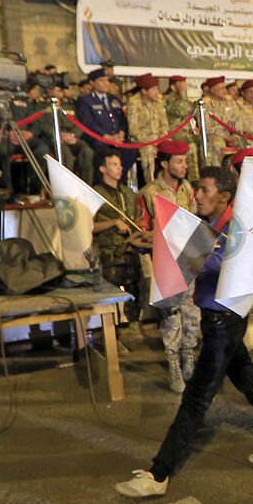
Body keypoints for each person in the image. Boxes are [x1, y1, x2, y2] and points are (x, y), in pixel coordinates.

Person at [115, 167, 253, 498]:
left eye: (203, 189)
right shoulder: (214, 225)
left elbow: (209, 262)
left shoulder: (235, 230)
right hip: (219, 320)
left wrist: (159, 245)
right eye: (196, 188)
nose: (196, 194)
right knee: (247, 379)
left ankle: (159, 473)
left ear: (224, 196)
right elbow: (193, 254)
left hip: (224, 323)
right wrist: (149, 245)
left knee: (195, 399)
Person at [138, 140, 199, 392]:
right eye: (179, 161)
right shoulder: (148, 193)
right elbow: (141, 232)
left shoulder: (188, 189)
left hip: (188, 261)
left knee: (191, 316)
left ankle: (189, 362)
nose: (184, 166)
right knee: (171, 319)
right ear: (164, 163)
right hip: (165, 264)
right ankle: (174, 366)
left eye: (185, 161)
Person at [92, 149, 147, 352]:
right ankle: (111, 338)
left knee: (135, 289)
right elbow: (90, 226)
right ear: (102, 168)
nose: (119, 168)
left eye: (120, 164)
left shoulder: (127, 193)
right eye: (113, 164)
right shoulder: (96, 194)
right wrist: (113, 222)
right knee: (111, 298)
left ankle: (133, 329)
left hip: (131, 249)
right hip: (109, 252)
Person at [76, 68, 135, 176]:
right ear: (92, 83)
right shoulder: (85, 100)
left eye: (107, 80)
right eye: (101, 81)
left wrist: (121, 133)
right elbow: (88, 123)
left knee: (130, 149)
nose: (106, 84)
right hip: (99, 139)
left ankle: (119, 180)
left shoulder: (114, 99)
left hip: (117, 138)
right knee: (103, 153)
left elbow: (121, 120)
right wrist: (107, 137)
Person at [127, 73, 168, 185]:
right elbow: (133, 130)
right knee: (148, 150)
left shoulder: (158, 102)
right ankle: (151, 184)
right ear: (144, 91)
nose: (157, 92)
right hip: (142, 141)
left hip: (158, 139)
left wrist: (160, 139)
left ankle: (168, 184)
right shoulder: (134, 103)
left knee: (172, 148)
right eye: (153, 89)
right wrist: (150, 142)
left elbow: (164, 125)